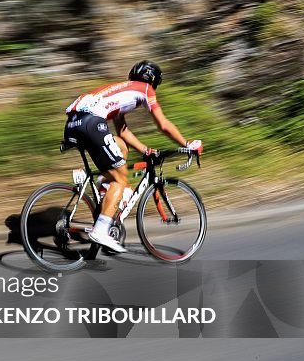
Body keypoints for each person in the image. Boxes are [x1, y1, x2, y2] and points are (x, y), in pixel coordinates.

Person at [63, 60, 202, 254]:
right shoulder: (145, 89)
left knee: (120, 146)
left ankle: (105, 187)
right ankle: (101, 229)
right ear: (152, 81)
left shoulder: (121, 90)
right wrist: (186, 144)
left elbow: (123, 130)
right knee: (121, 179)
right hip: (91, 123)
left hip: (73, 124)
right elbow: (163, 125)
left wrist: (145, 150)